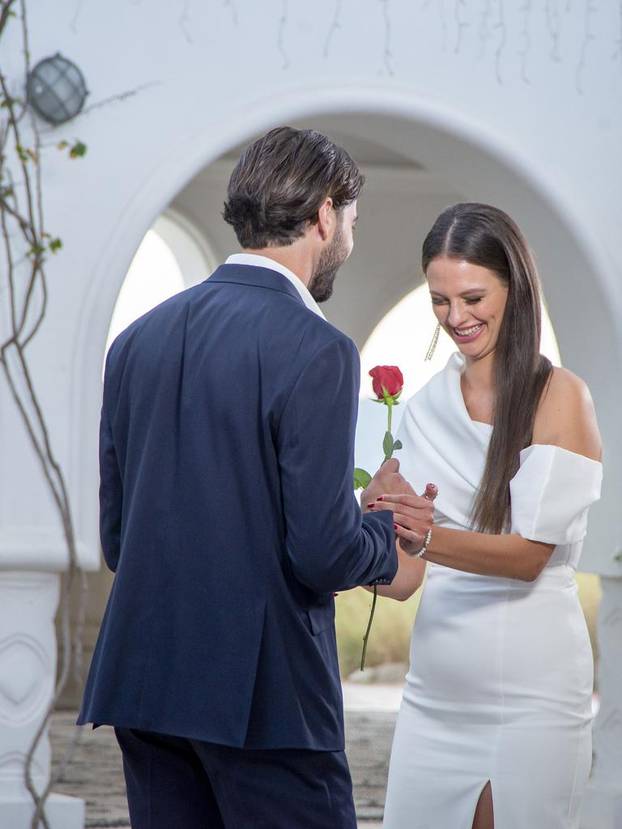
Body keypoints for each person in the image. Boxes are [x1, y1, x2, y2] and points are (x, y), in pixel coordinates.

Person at [77, 126, 435, 829]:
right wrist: (382, 529)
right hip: (264, 698)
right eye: (352, 223)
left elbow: (120, 539)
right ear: (325, 215)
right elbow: (322, 552)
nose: (350, 241)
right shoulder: (317, 348)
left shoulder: (135, 342)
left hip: (144, 682)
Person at [367, 203, 603, 829]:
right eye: (440, 301)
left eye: (473, 297)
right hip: (435, 699)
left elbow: (530, 557)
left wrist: (424, 537)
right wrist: (369, 533)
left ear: (515, 288)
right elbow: (403, 580)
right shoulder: (422, 410)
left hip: (535, 697)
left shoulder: (560, 397)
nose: (456, 318)